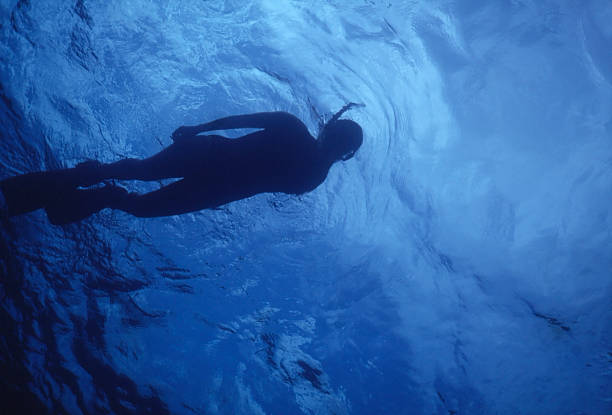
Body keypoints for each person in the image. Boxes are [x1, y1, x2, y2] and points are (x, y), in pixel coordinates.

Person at [0, 104, 363, 225]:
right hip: (209, 156)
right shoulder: (294, 132)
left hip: (214, 185)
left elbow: (267, 184)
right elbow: (237, 121)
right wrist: (198, 128)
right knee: (140, 173)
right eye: (336, 140)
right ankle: (94, 176)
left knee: (140, 206)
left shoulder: (314, 175)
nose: (332, 147)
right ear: (330, 134)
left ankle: (104, 191)